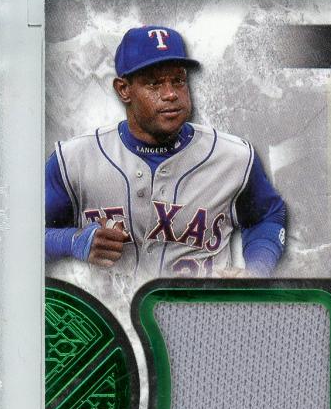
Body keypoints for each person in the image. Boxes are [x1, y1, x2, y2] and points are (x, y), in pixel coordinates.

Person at [44, 26, 286, 280]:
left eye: (178, 80)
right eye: (154, 83)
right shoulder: (73, 159)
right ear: (123, 89)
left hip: (199, 305)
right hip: (103, 306)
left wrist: (256, 271)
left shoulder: (234, 157)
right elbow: (24, 234)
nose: (171, 94)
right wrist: (71, 241)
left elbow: (268, 216)